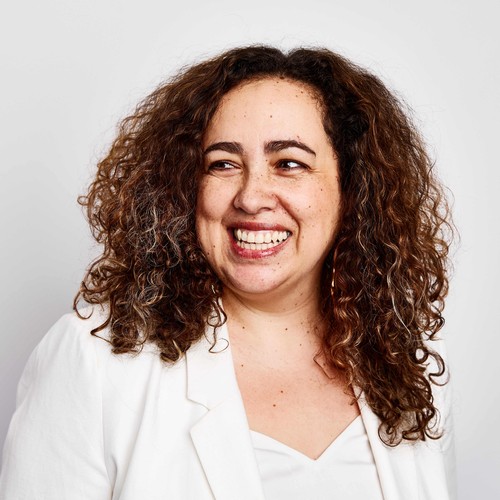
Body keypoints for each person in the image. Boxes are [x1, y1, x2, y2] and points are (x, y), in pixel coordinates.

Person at [0, 46, 455, 499]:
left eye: (289, 164)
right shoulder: (94, 362)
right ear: (185, 186)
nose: (251, 197)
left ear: (352, 189)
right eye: (223, 164)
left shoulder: (410, 368)